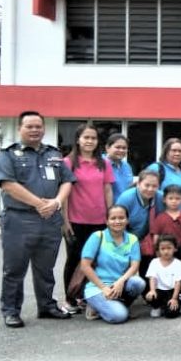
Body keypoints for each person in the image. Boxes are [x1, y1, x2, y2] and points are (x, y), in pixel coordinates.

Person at [0, 111, 75, 328]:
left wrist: (57, 202)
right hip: (19, 220)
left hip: (50, 220)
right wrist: (40, 204)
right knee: (14, 269)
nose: (34, 130)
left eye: (38, 126)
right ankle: (11, 310)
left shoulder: (54, 154)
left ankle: (47, 306)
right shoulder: (8, 154)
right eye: (29, 126)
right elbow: (8, 185)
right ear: (20, 128)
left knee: (46, 267)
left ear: (43, 128)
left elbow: (67, 181)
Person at [62, 123, 115, 312]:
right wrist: (65, 221)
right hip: (76, 220)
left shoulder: (104, 163)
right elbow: (64, 193)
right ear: (78, 140)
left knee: (94, 260)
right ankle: (69, 299)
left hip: (99, 220)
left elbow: (107, 190)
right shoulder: (68, 163)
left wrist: (110, 215)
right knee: (75, 259)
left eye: (93, 138)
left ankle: (84, 296)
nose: (90, 141)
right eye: (86, 137)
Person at [79, 205, 147, 323]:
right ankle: (95, 307)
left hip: (118, 284)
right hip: (97, 287)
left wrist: (121, 281)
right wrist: (103, 288)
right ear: (107, 221)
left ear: (127, 220)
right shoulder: (97, 237)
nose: (117, 221)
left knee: (138, 283)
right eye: (113, 218)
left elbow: (134, 266)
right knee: (119, 316)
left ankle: (116, 305)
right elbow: (85, 266)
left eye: (121, 218)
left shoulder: (132, 239)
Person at [146, 138, 181, 216]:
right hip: (163, 218)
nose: (177, 153)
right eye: (174, 150)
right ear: (166, 152)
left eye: (180, 151)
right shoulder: (156, 168)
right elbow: (144, 192)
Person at [144, 235, 181, 318]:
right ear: (158, 250)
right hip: (159, 291)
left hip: (172, 291)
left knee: (171, 314)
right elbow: (152, 278)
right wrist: (152, 290)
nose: (166, 251)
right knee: (150, 296)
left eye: (169, 248)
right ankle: (157, 307)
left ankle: (180, 302)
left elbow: (178, 282)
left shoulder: (178, 264)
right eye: (163, 249)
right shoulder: (154, 262)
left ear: (175, 249)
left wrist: (174, 298)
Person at [149, 186, 181, 263]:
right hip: (164, 249)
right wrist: (157, 250)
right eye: (170, 198)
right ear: (164, 200)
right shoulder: (160, 218)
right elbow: (156, 236)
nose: (174, 201)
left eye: (177, 198)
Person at [103, 134, 134, 199]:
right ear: (107, 147)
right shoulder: (100, 164)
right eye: (118, 147)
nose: (121, 150)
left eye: (124, 148)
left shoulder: (127, 166)